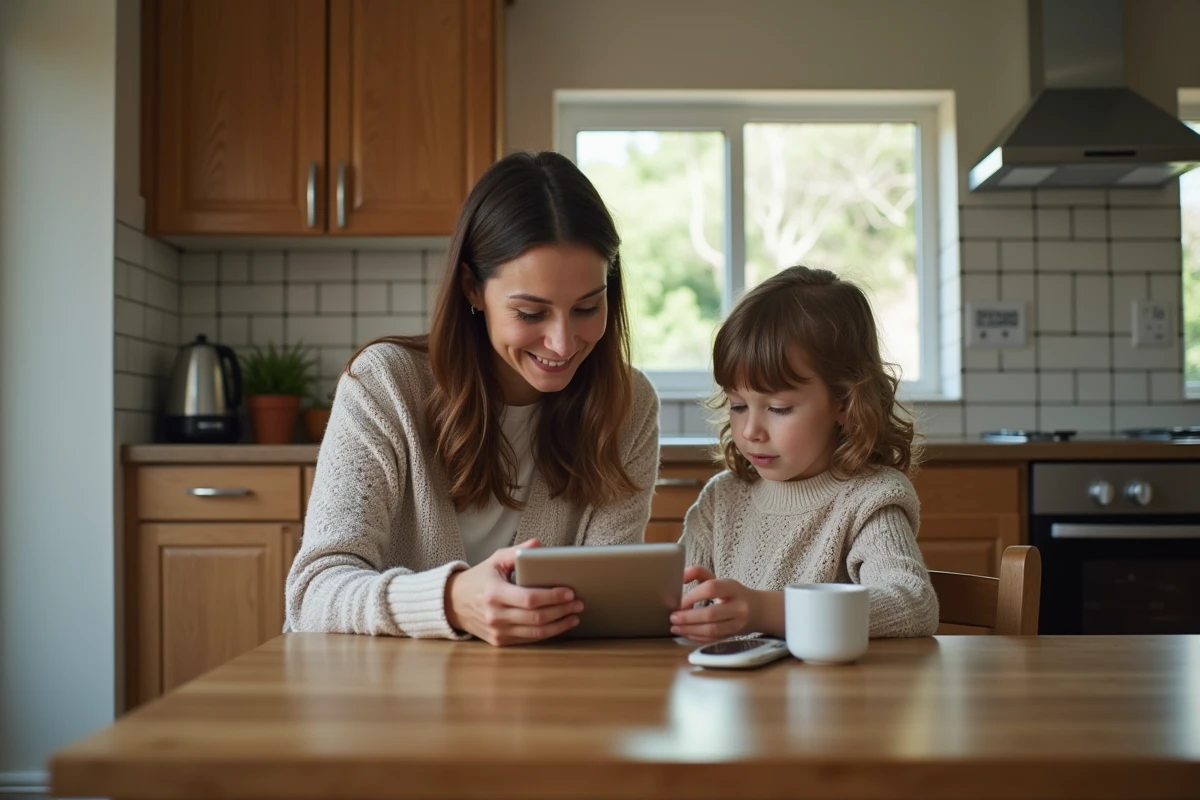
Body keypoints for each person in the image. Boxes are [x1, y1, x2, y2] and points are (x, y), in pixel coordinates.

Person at [286, 152, 660, 646]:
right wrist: (451, 600)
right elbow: (313, 591)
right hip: (380, 696)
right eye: (531, 313)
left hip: (537, 697)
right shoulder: (385, 385)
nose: (564, 343)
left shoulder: (626, 406)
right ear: (472, 288)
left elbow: (605, 609)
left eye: (588, 307)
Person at [670, 266, 939, 643]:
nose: (750, 431)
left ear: (845, 400)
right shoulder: (721, 499)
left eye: (778, 408)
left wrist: (765, 611)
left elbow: (913, 605)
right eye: (737, 404)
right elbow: (674, 602)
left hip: (827, 699)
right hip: (729, 698)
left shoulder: (868, 499)